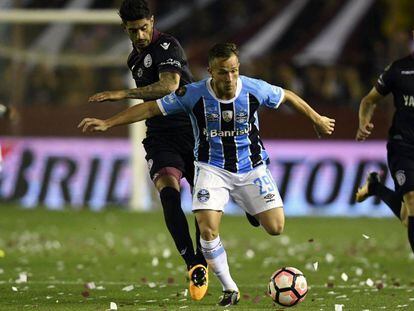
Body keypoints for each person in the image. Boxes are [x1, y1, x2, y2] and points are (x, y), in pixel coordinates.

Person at [79, 43, 335, 306]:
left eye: (234, 71)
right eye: (223, 72)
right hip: (211, 169)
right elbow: (150, 109)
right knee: (207, 230)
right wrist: (108, 122)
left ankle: (248, 205)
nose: (230, 78)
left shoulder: (254, 89)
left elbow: (288, 95)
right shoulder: (193, 94)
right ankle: (229, 288)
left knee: (276, 227)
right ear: (211, 71)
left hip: (252, 168)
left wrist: (316, 118)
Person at [88, 0, 208, 300]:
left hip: (192, 130)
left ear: (152, 22)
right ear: (124, 29)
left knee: (203, 203)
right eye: (133, 30)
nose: (140, 35)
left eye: (144, 28)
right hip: (160, 135)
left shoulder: (168, 46)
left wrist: (122, 93)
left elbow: (169, 87)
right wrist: (108, 123)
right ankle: (193, 263)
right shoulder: (133, 58)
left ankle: (203, 260)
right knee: (168, 192)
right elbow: (152, 108)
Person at [355, 30, 414, 250]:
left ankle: (376, 188)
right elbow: (369, 100)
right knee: (412, 199)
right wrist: (363, 123)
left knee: (409, 219)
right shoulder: (398, 70)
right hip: (403, 146)